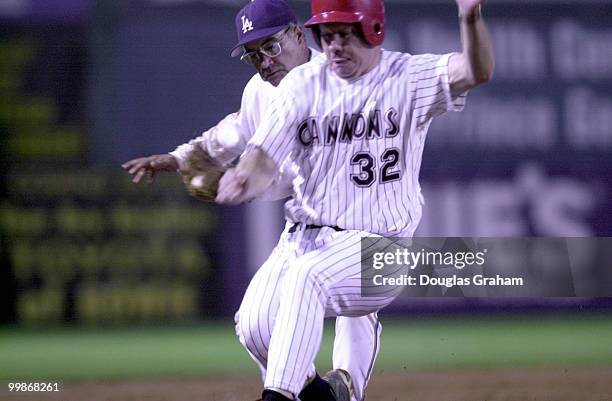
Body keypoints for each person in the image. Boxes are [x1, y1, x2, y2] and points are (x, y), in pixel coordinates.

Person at [216, 0, 494, 400]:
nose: (334, 46)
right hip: (304, 238)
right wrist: (244, 177)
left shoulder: (407, 77)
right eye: (327, 36)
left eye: (345, 34)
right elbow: (264, 154)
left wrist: (470, 17)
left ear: (374, 30)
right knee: (255, 326)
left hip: (380, 248)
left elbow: (475, 70)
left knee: (307, 278)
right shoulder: (301, 85)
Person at [121, 1, 382, 401]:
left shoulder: (343, 79)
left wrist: (243, 181)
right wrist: (178, 158)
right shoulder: (260, 91)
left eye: (271, 46)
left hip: (364, 225)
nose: (263, 60)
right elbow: (236, 131)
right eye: (253, 53)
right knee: (255, 327)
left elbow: (306, 170)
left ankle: (347, 381)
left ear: (298, 35)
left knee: (350, 307)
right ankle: (324, 397)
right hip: (305, 228)